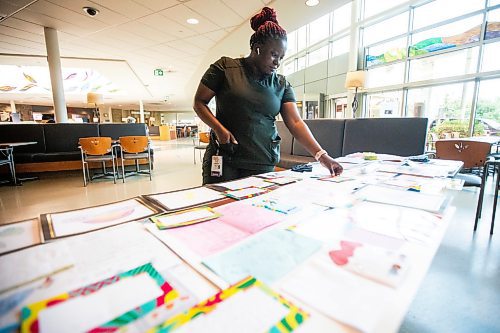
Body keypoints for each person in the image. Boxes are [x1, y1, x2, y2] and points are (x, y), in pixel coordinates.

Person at [193, 7, 343, 185]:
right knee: (219, 209)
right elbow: (199, 102)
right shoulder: (225, 68)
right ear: (257, 48)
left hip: (262, 161)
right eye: (273, 55)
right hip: (225, 159)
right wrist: (219, 129)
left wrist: (322, 156)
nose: (277, 62)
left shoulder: (281, 84)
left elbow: (296, 123)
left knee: (257, 211)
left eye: (281, 57)